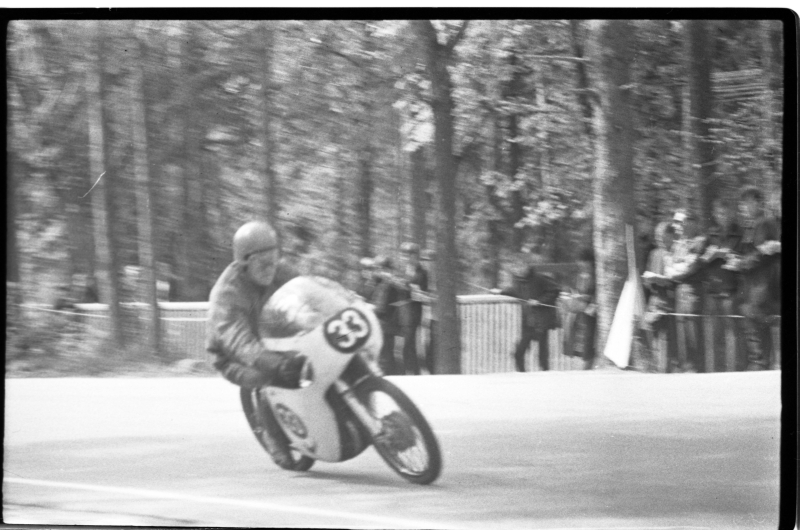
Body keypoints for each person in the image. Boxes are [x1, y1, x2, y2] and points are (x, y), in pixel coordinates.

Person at [206, 220, 308, 467]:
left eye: (274, 260)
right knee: (268, 379)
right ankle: (274, 439)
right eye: (263, 263)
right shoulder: (226, 295)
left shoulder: (278, 270)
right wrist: (272, 363)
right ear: (244, 262)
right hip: (233, 356)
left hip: (273, 338)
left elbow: (308, 290)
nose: (270, 268)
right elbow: (238, 342)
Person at [728, 187, 781, 370]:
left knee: (757, 319)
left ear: (758, 202)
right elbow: (751, 251)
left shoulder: (765, 222)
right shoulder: (751, 224)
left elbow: (763, 253)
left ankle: (760, 363)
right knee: (756, 321)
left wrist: (741, 264)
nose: (745, 206)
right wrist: (736, 258)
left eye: (749, 202)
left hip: (764, 282)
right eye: (743, 203)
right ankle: (761, 363)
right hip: (752, 283)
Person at [698, 197, 744, 370]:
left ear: (732, 213)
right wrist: (711, 256)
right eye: (719, 213)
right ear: (715, 214)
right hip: (712, 290)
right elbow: (699, 262)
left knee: (732, 333)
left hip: (731, 290)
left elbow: (744, 258)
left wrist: (731, 255)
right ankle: (714, 373)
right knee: (713, 335)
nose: (722, 216)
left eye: (726, 213)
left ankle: (733, 372)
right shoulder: (710, 234)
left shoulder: (739, 233)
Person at [500, 253, 560, 372]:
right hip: (528, 323)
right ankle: (523, 378)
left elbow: (555, 290)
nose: (518, 269)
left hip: (541, 322)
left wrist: (539, 301)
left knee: (542, 357)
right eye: (516, 267)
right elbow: (514, 291)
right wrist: (500, 291)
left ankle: (546, 380)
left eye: (521, 266)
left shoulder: (539, 278)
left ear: (527, 266)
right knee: (518, 353)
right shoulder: (518, 281)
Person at [665, 210, 705, 372]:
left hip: (692, 291)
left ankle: (697, 369)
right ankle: (687, 367)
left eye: (680, 222)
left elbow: (690, 267)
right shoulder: (679, 244)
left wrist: (676, 268)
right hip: (680, 292)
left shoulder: (699, 241)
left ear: (692, 222)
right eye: (675, 222)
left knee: (693, 333)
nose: (676, 226)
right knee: (681, 334)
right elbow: (668, 269)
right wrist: (677, 268)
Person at [641, 221, 678, 372]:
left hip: (671, 302)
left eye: (662, 236)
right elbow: (649, 275)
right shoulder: (654, 253)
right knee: (648, 331)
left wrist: (658, 279)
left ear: (671, 236)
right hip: (655, 302)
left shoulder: (676, 252)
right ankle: (654, 366)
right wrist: (648, 281)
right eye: (657, 236)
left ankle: (667, 369)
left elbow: (674, 279)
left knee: (670, 343)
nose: (659, 239)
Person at [394, 242, 429, 375]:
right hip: (401, 312)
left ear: (415, 256)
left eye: (408, 255)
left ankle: (414, 372)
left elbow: (421, 293)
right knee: (403, 345)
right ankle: (410, 372)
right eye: (404, 255)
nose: (406, 258)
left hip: (414, 312)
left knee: (409, 344)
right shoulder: (402, 271)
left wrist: (410, 287)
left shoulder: (422, 272)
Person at [563, 247, 597, 370]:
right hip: (577, 313)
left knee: (589, 341)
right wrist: (572, 295)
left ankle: (587, 367)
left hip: (589, 313)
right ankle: (579, 368)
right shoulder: (577, 275)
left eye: (585, 263)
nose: (582, 265)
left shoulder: (596, 275)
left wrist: (588, 300)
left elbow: (597, 294)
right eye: (580, 263)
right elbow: (571, 289)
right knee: (576, 343)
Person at [371, 256, 400, 375]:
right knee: (387, 355)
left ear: (385, 270)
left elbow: (381, 307)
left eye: (379, 269)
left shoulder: (386, 285)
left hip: (384, 324)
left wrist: (369, 308)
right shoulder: (384, 284)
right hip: (387, 324)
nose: (376, 272)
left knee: (384, 356)